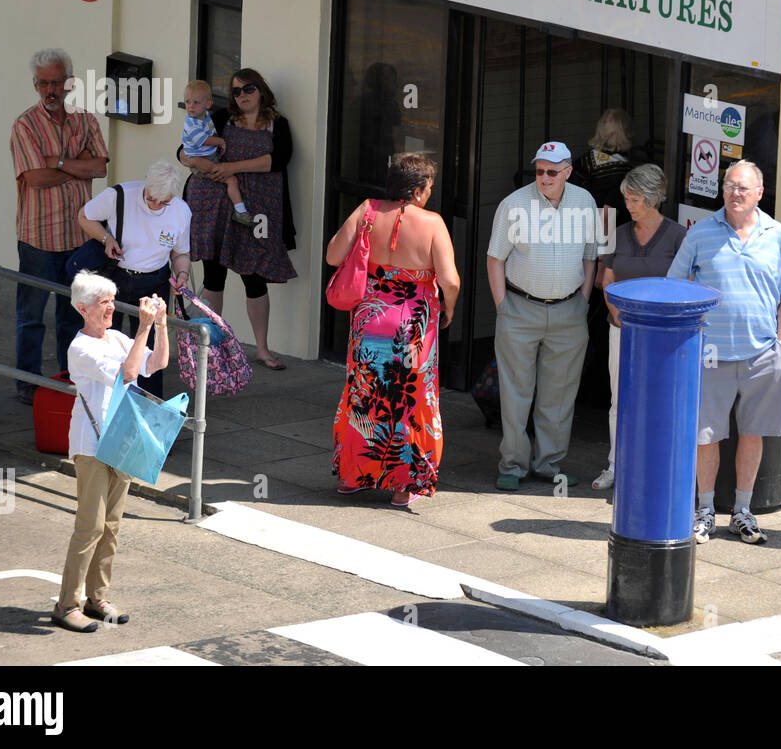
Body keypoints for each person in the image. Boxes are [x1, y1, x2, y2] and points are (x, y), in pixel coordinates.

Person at [667, 159, 781, 545]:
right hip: (710, 354)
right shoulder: (700, 234)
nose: (735, 192)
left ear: (759, 193)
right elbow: (677, 285)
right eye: (729, 185)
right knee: (705, 435)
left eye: (743, 187)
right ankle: (705, 510)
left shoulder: (777, 235)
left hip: (763, 355)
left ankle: (743, 512)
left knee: (754, 434)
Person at [326, 154, 460, 506]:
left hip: (370, 316)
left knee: (365, 392)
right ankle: (403, 486)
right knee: (409, 399)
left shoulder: (367, 210)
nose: (430, 193)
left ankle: (353, 477)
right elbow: (449, 279)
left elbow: (332, 255)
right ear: (417, 191)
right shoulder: (432, 223)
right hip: (414, 321)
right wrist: (449, 308)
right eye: (429, 187)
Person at [53, 270, 167, 633]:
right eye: (104, 302)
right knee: (90, 526)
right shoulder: (80, 347)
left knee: (112, 525)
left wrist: (161, 325)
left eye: (112, 300)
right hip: (91, 444)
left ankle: (96, 597)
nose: (111, 308)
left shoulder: (118, 337)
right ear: (83, 308)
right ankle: (67, 603)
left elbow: (156, 364)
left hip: (121, 441)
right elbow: (130, 373)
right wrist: (145, 327)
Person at [486, 141, 598, 491]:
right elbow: (495, 258)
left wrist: (583, 299)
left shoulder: (585, 202)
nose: (544, 178)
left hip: (568, 311)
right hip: (520, 308)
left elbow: (591, 256)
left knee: (560, 393)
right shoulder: (514, 204)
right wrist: (502, 305)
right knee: (515, 392)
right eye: (539, 171)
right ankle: (514, 464)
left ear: (568, 171)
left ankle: (549, 463)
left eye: (552, 171)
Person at [177, 68, 296, 371]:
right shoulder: (220, 118)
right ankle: (212, 347)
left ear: (262, 91)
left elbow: (278, 160)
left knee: (253, 277)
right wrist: (191, 160)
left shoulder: (277, 125)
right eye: (236, 91)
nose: (242, 95)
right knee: (214, 277)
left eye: (249, 89)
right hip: (216, 207)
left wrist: (233, 168)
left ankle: (263, 349)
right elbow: (185, 148)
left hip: (256, 212)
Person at [9, 47, 110, 404]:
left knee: (73, 316)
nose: (50, 90)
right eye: (43, 84)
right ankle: (27, 384)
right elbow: (35, 178)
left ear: (69, 83)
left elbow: (100, 167)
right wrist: (75, 163)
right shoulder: (25, 125)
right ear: (35, 84)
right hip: (38, 236)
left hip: (78, 237)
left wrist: (58, 160)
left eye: (56, 82)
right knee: (31, 316)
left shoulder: (86, 119)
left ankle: (72, 381)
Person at [592, 164, 686, 490]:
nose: (628, 205)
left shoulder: (677, 236)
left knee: (660, 400)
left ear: (651, 198)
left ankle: (655, 468)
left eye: (633, 199)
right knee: (621, 400)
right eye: (626, 199)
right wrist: (617, 314)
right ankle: (616, 466)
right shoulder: (618, 234)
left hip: (662, 335)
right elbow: (607, 280)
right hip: (623, 329)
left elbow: (685, 284)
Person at [77, 160, 191, 398]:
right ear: (145, 186)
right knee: (106, 340)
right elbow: (84, 217)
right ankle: (105, 398)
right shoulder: (120, 195)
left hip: (155, 281)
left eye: (164, 202)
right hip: (115, 276)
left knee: (150, 347)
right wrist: (107, 239)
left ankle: (146, 403)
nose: (156, 205)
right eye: (151, 199)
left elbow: (180, 253)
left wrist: (182, 274)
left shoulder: (181, 211)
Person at [180, 79, 254, 226]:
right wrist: (220, 141)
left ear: (208, 104)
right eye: (188, 102)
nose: (191, 106)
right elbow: (202, 140)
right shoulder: (191, 123)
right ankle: (241, 212)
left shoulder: (205, 117)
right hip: (204, 161)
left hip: (210, 156)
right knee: (230, 180)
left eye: (196, 102)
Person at [573, 107, 637, 230]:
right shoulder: (621, 172)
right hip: (602, 235)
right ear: (626, 132)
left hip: (575, 226)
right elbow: (607, 218)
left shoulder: (583, 161)